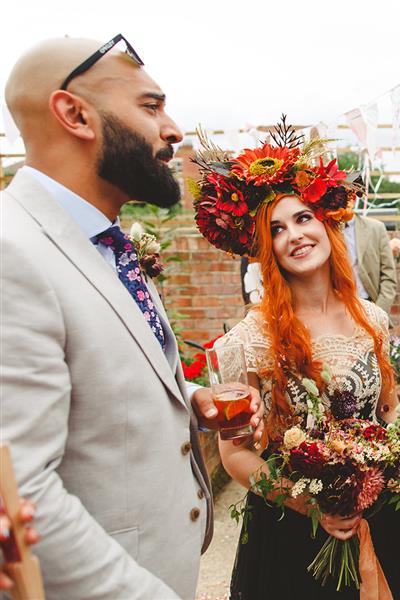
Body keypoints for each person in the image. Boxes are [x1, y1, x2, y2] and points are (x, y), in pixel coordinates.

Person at [0, 36, 262, 598]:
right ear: (74, 114)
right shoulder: (11, 253)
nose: (173, 129)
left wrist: (189, 398)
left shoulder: (103, 242)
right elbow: (17, 489)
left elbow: (97, 380)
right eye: (150, 106)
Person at [191, 131, 400, 598]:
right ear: (264, 249)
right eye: (276, 229)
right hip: (296, 532)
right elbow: (235, 454)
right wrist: (313, 504)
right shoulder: (246, 342)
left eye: (302, 218)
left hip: (386, 515)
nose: (295, 235)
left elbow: (390, 413)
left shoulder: (373, 319)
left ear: (326, 224)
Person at [344, 212, 398, 315]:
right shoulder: (325, 229)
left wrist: (379, 311)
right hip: (339, 310)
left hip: (371, 304)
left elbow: (388, 273)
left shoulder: (376, 228)